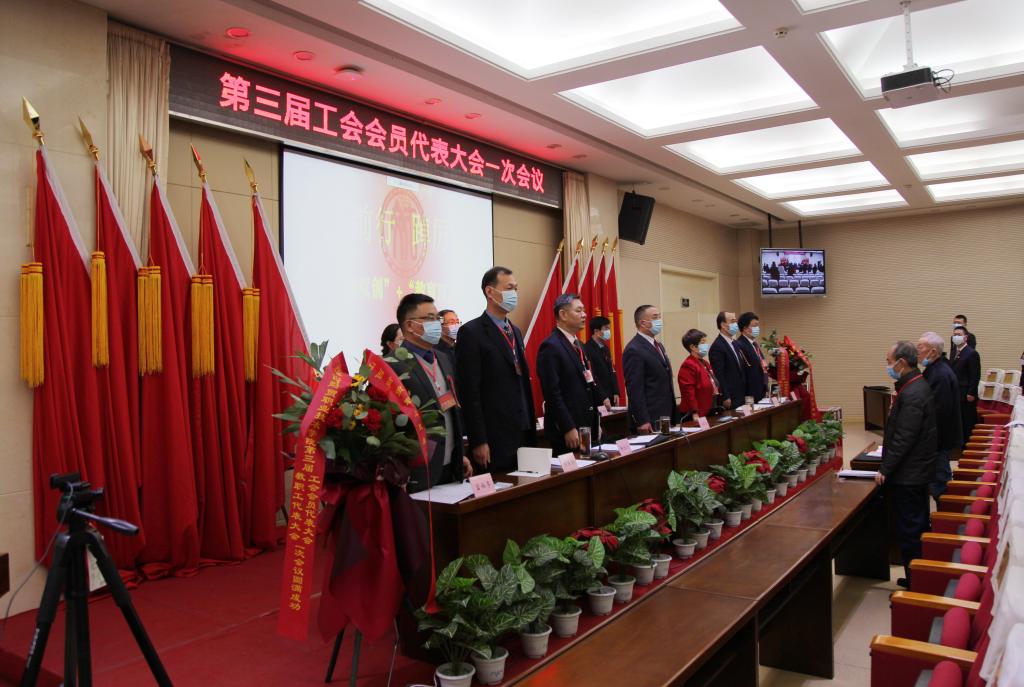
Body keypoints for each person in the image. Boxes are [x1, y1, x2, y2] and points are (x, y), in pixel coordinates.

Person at [455, 266, 537, 474]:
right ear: (490, 292)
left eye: (516, 289)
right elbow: (469, 392)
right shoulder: (471, 332)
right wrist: (478, 440)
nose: (514, 294)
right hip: (495, 436)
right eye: (509, 288)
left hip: (523, 430)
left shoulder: (515, 331)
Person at [392, 293, 472, 491]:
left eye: (437, 318)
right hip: (419, 474)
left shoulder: (443, 358)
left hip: (451, 467)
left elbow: (452, 409)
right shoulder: (394, 365)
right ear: (410, 325)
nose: (436, 324)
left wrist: (458, 454)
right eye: (429, 319)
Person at [877, 341, 937, 588]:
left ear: (901, 363)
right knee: (915, 526)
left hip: (910, 475)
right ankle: (915, 575)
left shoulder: (913, 392)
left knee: (911, 529)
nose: (888, 366)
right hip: (916, 470)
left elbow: (904, 437)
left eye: (889, 362)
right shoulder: (914, 385)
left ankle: (916, 585)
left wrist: (885, 469)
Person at [536, 295, 602, 456]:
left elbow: (588, 383)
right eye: (578, 311)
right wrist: (568, 427)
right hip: (568, 430)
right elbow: (552, 393)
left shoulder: (579, 345)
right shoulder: (551, 346)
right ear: (563, 314)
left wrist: (596, 422)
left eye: (584, 310)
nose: (584, 314)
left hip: (587, 426)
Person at [917, 332, 962, 506]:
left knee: (940, 482)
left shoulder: (940, 374)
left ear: (933, 352)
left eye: (920, 347)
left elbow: (938, 411)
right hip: (937, 438)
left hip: (938, 439)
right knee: (937, 479)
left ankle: (945, 515)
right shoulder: (935, 369)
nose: (917, 352)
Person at [623, 304, 677, 433]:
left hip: (665, 412)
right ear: (642, 323)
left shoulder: (658, 345)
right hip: (650, 417)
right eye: (655, 317)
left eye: (659, 317)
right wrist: (642, 420)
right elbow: (634, 388)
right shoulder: (634, 349)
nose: (659, 320)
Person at [677, 328, 719, 418]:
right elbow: (689, 392)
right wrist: (694, 412)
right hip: (697, 413)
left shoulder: (705, 363)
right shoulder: (688, 365)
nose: (706, 345)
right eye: (703, 342)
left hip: (710, 408)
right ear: (693, 347)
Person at [950, 325, 981, 447]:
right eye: (954, 335)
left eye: (959, 335)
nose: (956, 337)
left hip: (966, 394)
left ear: (966, 337)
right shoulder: (954, 352)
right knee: (958, 422)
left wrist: (971, 393)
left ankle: (968, 447)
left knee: (967, 422)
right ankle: (958, 446)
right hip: (956, 392)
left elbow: (975, 375)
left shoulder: (971, 353)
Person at [708, 311, 746, 409]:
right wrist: (725, 396)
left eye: (736, 321)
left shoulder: (735, 343)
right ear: (723, 325)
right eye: (733, 321)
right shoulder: (717, 347)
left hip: (741, 394)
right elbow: (719, 374)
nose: (736, 324)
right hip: (730, 397)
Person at [583, 316, 619, 408]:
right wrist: (603, 396)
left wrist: (616, 392)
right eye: (606, 328)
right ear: (596, 331)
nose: (609, 331)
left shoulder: (605, 348)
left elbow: (612, 371)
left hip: (611, 396)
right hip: (598, 397)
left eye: (609, 328)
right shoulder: (587, 349)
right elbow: (591, 375)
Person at [734, 311, 768, 402]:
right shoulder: (739, 345)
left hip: (761, 390)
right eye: (754, 325)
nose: (757, 328)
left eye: (758, 325)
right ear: (745, 328)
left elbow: (761, 365)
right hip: (750, 393)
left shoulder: (754, 344)